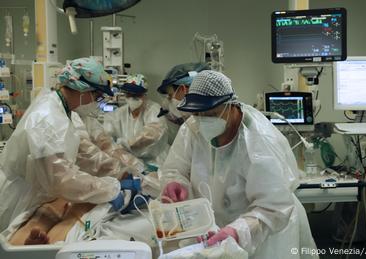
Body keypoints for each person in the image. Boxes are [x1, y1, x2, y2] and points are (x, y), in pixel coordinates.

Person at [159, 70, 318, 258]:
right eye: (198, 112)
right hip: (216, 228)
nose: (203, 118)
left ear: (230, 105)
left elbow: (273, 208)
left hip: (263, 231)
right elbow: (175, 168)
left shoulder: (258, 140)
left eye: (211, 113)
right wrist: (175, 182)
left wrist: (238, 232)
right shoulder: (194, 127)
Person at [0, 57, 134, 232]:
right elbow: (60, 179)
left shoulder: (63, 111)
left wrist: (122, 172)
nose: (98, 102)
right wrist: (111, 188)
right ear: (82, 89)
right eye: (97, 95)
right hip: (21, 198)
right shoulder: (47, 117)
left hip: (38, 193)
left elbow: (83, 155)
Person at [103, 74, 169, 167]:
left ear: (144, 95)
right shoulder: (118, 114)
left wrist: (127, 144)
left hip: (155, 161)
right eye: (129, 94)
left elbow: (153, 133)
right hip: (128, 160)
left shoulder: (154, 110)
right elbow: (106, 136)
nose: (132, 98)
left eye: (136, 95)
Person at [157, 62, 209, 143]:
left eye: (170, 96)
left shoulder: (207, 125)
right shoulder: (193, 123)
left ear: (183, 89)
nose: (168, 102)